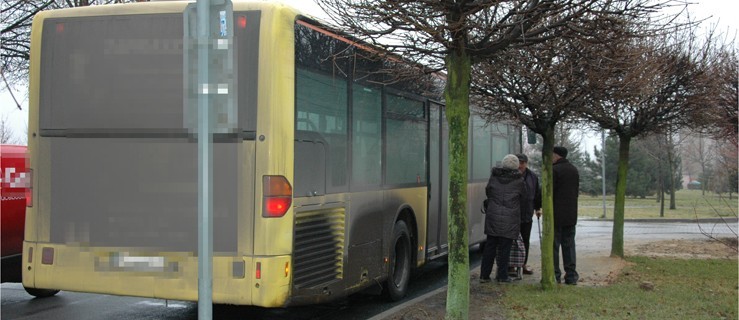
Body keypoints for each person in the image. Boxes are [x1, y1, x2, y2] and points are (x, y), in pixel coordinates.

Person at [480, 154, 525, 283]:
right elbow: (524, 197)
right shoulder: (519, 180)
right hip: (510, 218)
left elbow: (488, 191)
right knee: (505, 248)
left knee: (490, 246)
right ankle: (502, 275)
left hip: (493, 215)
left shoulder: (494, 177)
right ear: (516, 166)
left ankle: (484, 275)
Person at [552, 146, 580, 285]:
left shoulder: (554, 170)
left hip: (556, 215)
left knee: (554, 246)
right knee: (569, 245)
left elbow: (549, 192)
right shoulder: (574, 170)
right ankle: (571, 276)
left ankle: (555, 275)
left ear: (556, 155)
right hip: (570, 215)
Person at [516, 153, 541, 275]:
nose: (520, 165)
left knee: (525, 240)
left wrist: (537, 208)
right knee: (511, 241)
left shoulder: (533, 177)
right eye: (518, 163)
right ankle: (511, 265)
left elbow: (537, 193)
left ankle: (523, 264)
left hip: (527, 213)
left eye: (522, 163)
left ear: (526, 163)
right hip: (513, 214)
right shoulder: (511, 175)